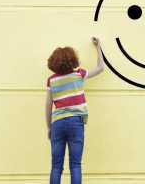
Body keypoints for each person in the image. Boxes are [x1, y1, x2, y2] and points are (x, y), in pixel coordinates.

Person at [45, 37, 104, 184]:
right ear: (73, 60)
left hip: (57, 123)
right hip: (76, 123)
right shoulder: (79, 75)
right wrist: (98, 47)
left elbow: (48, 105)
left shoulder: (51, 80)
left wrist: (49, 127)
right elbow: (101, 67)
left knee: (56, 166)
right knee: (75, 165)